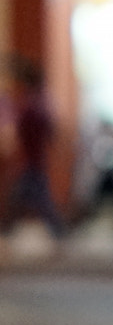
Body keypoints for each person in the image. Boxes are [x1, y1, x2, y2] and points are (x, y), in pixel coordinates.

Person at [2, 62, 63, 240]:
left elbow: (31, 128)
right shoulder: (41, 102)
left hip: (33, 162)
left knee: (31, 199)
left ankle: (58, 230)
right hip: (34, 161)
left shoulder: (33, 105)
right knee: (31, 198)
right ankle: (58, 230)